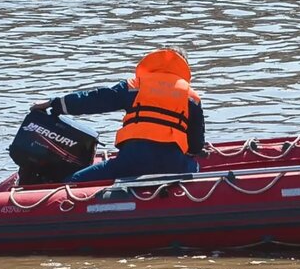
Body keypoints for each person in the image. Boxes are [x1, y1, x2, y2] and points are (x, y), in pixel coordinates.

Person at [31, 47, 206, 183]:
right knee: (195, 169)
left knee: (75, 182)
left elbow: (94, 100)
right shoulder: (191, 98)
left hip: (131, 161)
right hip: (173, 166)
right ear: (183, 68)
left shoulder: (134, 86)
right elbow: (195, 146)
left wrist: (55, 103)